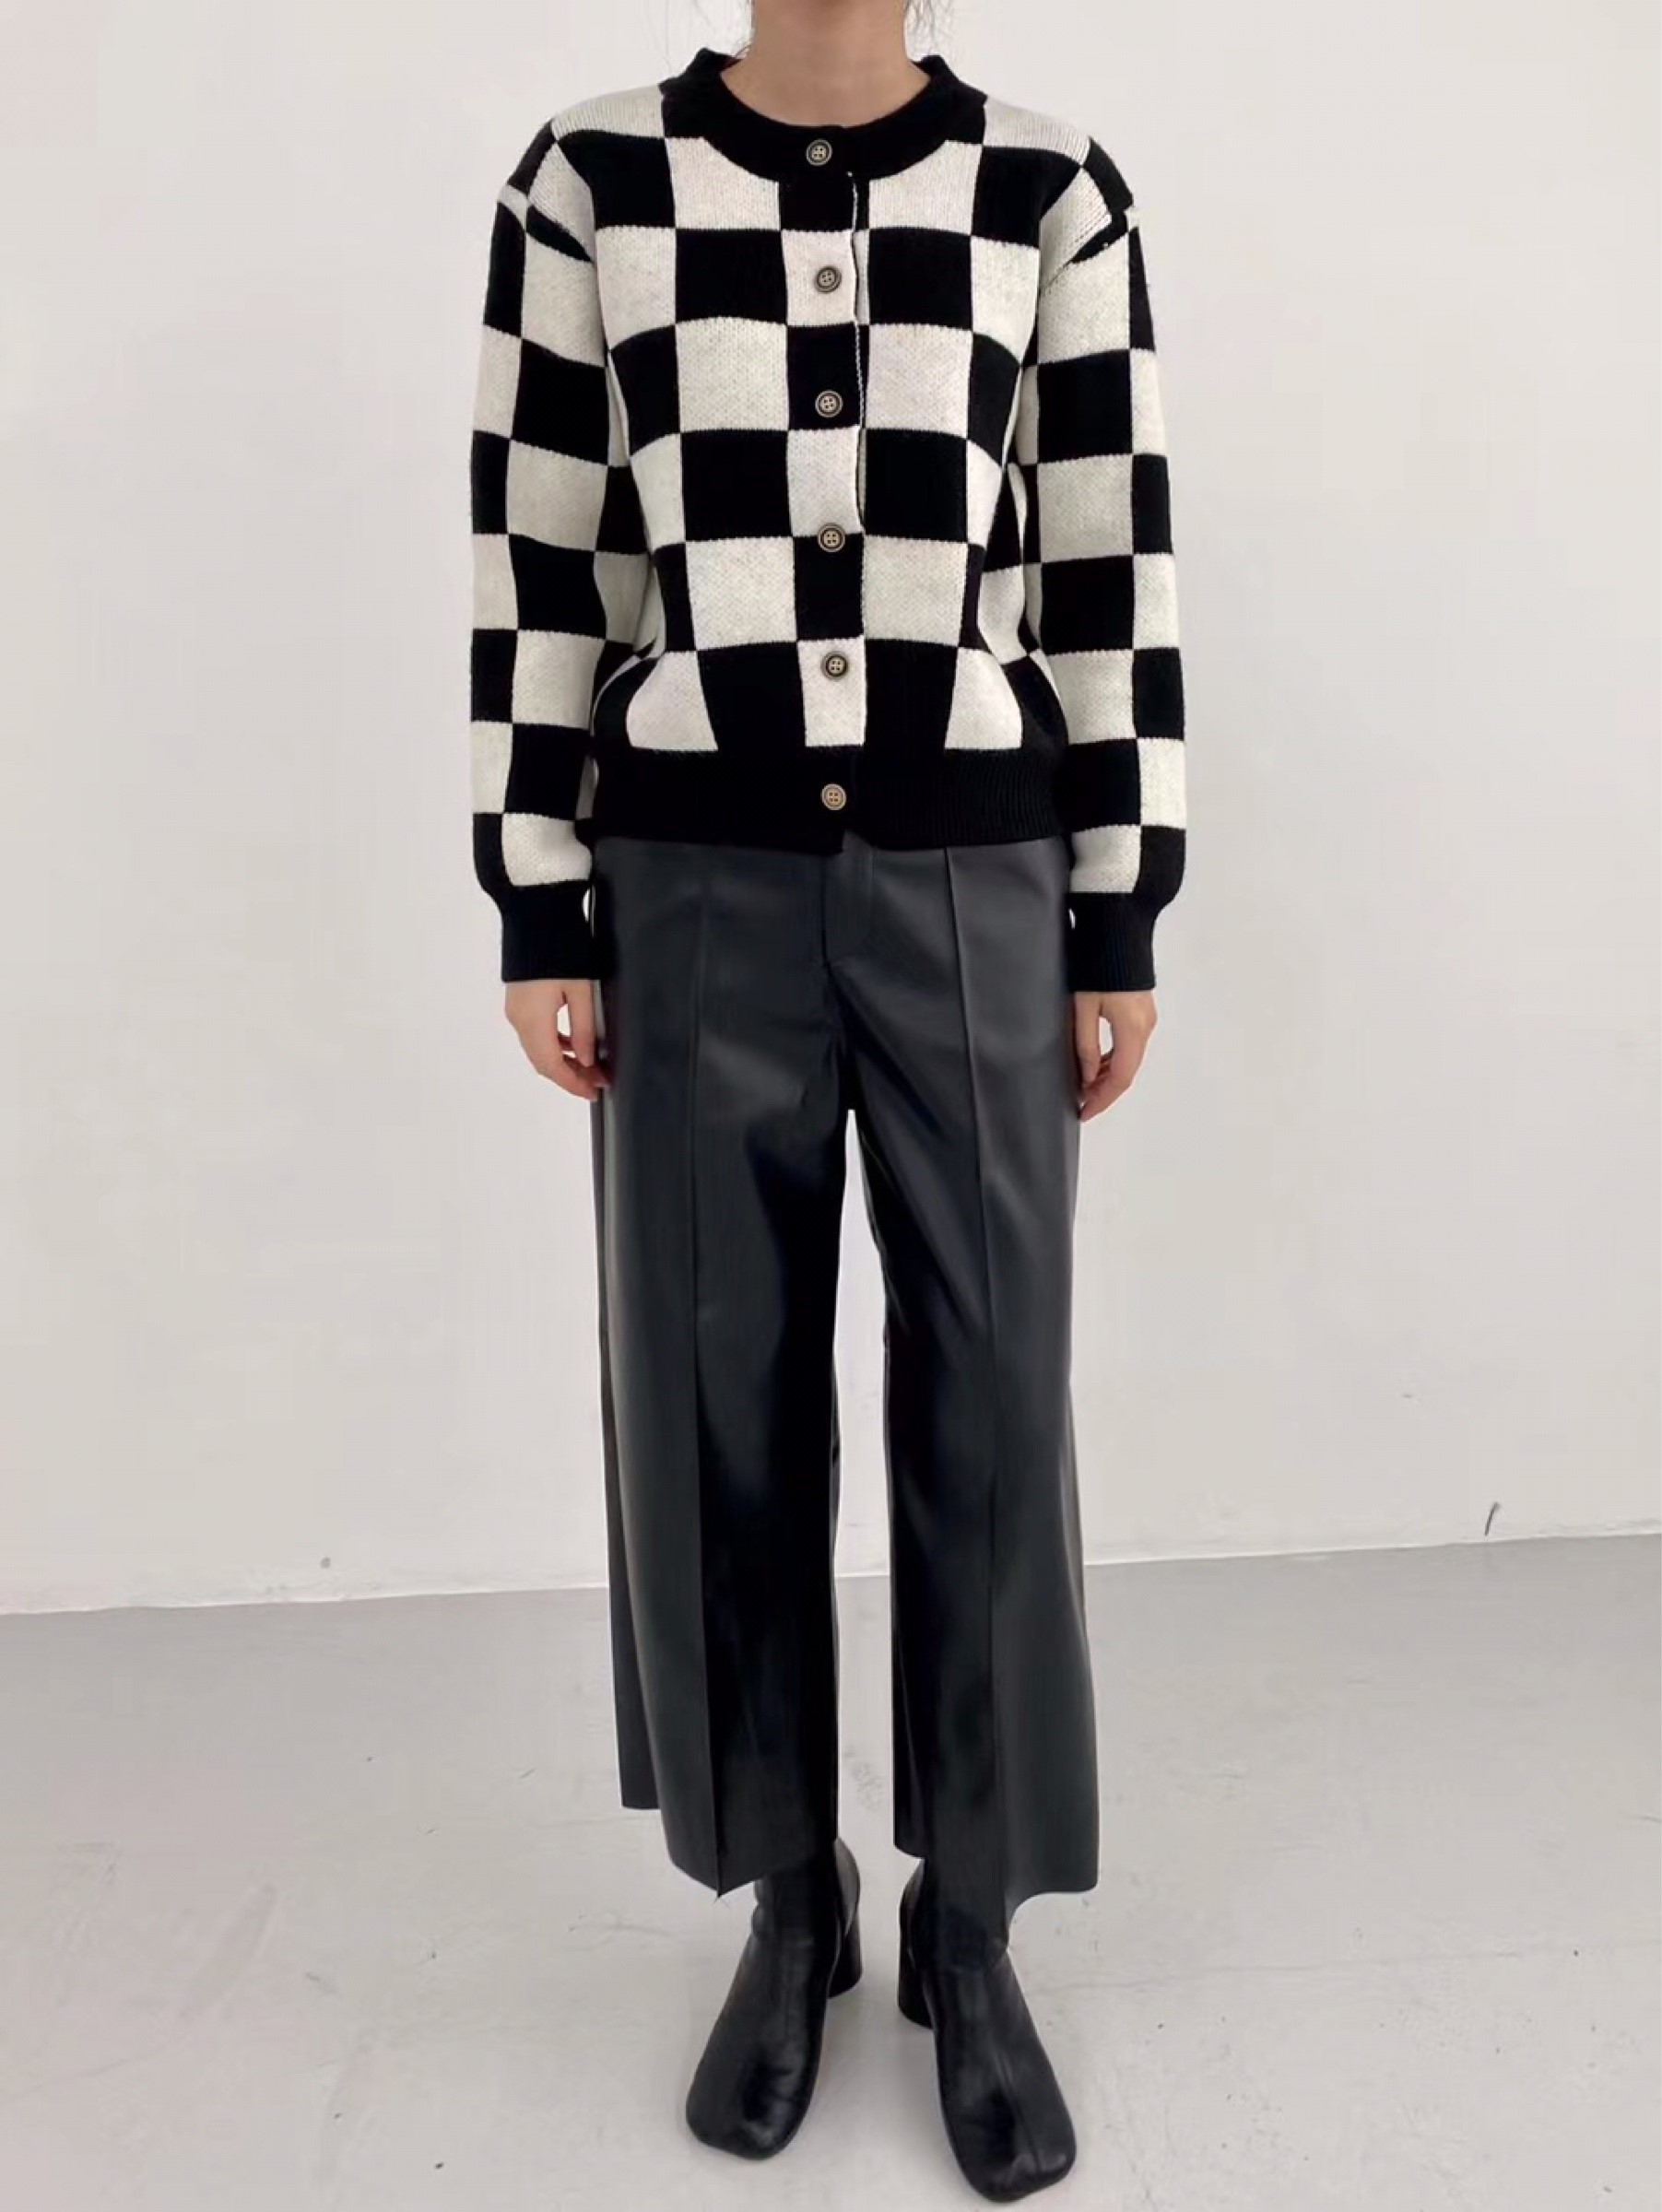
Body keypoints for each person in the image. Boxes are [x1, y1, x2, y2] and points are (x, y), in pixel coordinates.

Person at [467, 2, 1185, 2197]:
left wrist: (1115, 902)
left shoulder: (1044, 186)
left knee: (993, 1399)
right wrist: (540, 890)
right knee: (714, 1397)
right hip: (689, 879)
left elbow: (1103, 560)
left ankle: (972, 1922)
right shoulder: (589, 180)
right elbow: (544, 554)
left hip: (977, 876)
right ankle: (788, 1904)